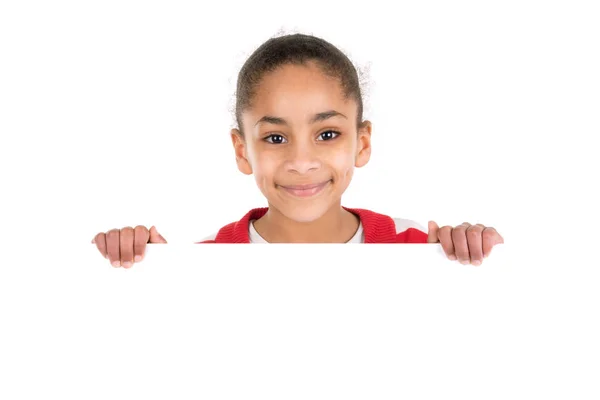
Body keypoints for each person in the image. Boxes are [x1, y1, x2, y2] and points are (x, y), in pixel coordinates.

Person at [91, 33, 504, 268]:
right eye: (275, 138)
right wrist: (146, 275)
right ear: (242, 150)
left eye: (327, 134)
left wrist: (472, 252)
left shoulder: (415, 250)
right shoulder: (206, 266)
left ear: (362, 143)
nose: (301, 162)